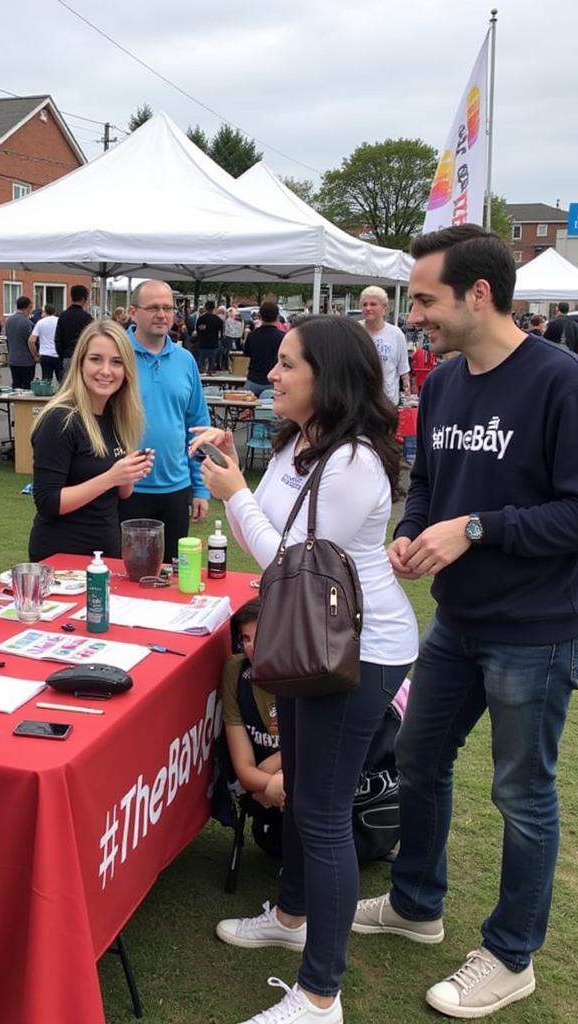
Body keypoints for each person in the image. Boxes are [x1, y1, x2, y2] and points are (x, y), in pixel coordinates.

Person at [354, 225, 578, 1020]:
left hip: (541, 630)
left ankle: (512, 956)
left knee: (521, 792)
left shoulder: (562, 381)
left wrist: (476, 529)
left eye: (428, 299)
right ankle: (415, 906)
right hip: (459, 622)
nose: (417, 314)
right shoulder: (440, 383)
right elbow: (433, 481)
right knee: (420, 760)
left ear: (479, 293)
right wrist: (415, 528)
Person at [194, 315, 417, 1024]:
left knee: (320, 813)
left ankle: (321, 995)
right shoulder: (297, 443)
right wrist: (238, 487)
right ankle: (291, 917)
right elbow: (263, 534)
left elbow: (288, 557)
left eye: (288, 365)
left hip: (355, 652)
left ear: (329, 376)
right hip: (305, 641)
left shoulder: (353, 460)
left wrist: (235, 492)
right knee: (307, 798)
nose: (272, 376)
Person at [28, 320, 149, 560]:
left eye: (116, 362)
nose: (106, 371)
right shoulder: (60, 419)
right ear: (80, 363)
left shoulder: (117, 416)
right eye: (96, 359)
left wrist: (129, 472)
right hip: (62, 558)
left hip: (106, 554)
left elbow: (122, 494)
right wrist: (111, 477)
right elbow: (48, 503)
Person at [120, 279, 211, 560]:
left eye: (168, 308)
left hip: (176, 488)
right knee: (126, 574)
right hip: (125, 488)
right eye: (153, 307)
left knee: (171, 574)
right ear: (133, 312)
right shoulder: (116, 356)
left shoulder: (185, 360)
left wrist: (201, 488)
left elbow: (197, 427)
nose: (162, 314)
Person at [218, 598, 284, 852]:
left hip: (308, 776)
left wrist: (278, 762)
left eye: (262, 636)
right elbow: (243, 769)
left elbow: (323, 748)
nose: (252, 647)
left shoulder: (308, 673)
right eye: (245, 638)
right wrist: (269, 785)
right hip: (262, 787)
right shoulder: (236, 672)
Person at [360, 285, 409, 405]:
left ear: (384, 308)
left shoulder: (396, 334)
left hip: (387, 401)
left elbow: (403, 368)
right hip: (359, 400)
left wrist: (407, 390)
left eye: (373, 304)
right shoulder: (354, 330)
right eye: (365, 304)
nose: (368, 308)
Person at [242, 300, 284, 396]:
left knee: (246, 408)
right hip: (273, 381)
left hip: (253, 380)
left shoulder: (252, 335)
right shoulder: (282, 337)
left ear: (260, 316)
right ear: (277, 317)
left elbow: (246, 353)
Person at [54, 283, 94, 375]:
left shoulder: (63, 316)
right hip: (82, 356)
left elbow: (58, 339)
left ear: (71, 297)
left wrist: (62, 354)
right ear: (84, 298)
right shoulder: (87, 317)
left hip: (67, 356)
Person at [6, 295, 39, 390]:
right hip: (26, 361)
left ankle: (14, 404)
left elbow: (8, 339)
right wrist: (35, 355)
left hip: (13, 359)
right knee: (27, 388)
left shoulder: (9, 321)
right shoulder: (27, 323)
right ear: (28, 307)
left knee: (16, 386)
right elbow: (31, 342)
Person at [30, 304, 61, 383]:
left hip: (45, 355)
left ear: (45, 312)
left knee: (46, 381)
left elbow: (31, 340)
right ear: (54, 312)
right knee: (62, 380)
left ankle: (46, 394)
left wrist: (35, 355)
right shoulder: (60, 321)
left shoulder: (40, 323)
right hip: (58, 354)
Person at [195, 299, 225, 373]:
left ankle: (201, 377)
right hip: (213, 344)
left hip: (203, 344)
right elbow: (221, 333)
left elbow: (198, 331)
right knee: (212, 362)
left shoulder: (201, 319)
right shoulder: (218, 320)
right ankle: (211, 376)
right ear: (214, 308)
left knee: (201, 362)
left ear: (205, 308)